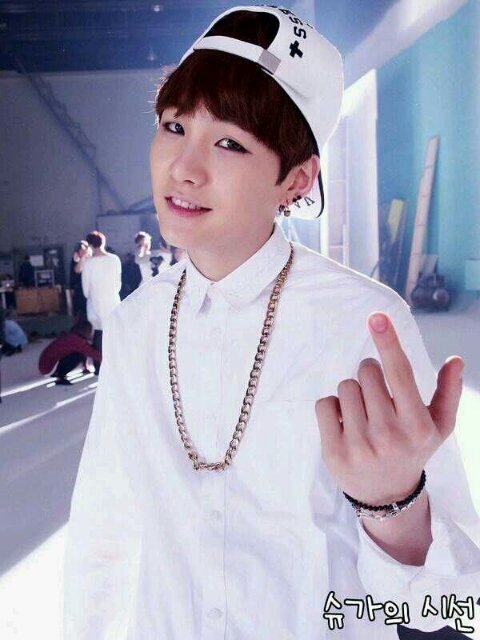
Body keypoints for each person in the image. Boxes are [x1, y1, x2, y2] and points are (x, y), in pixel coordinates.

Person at [63, 7, 480, 640]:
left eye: (230, 142)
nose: (184, 167)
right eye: (174, 126)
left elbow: (449, 607)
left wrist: (393, 506)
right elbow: (105, 530)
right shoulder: (134, 325)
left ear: (297, 178)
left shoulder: (361, 324)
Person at [81, 231, 121, 375]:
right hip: (112, 301)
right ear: (103, 242)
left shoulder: (88, 263)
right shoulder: (114, 259)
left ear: (90, 245)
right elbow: (118, 283)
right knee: (114, 334)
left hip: (95, 303)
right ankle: (115, 366)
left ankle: (99, 367)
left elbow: (86, 289)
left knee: (98, 334)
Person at [38, 320, 101, 385]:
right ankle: (60, 377)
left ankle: (59, 374)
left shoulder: (72, 336)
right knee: (78, 355)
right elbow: (92, 353)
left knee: (79, 353)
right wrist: (106, 358)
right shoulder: (76, 340)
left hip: (46, 366)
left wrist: (85, 367)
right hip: (48, 368)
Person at [69, 240, 90, 322]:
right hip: (78, 290)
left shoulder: (90, 260)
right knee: (79, 313)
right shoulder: (76, 260)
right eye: (82, 250)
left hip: (88, 291)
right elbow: (77, 271)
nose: (84, 252)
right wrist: (83, 257)